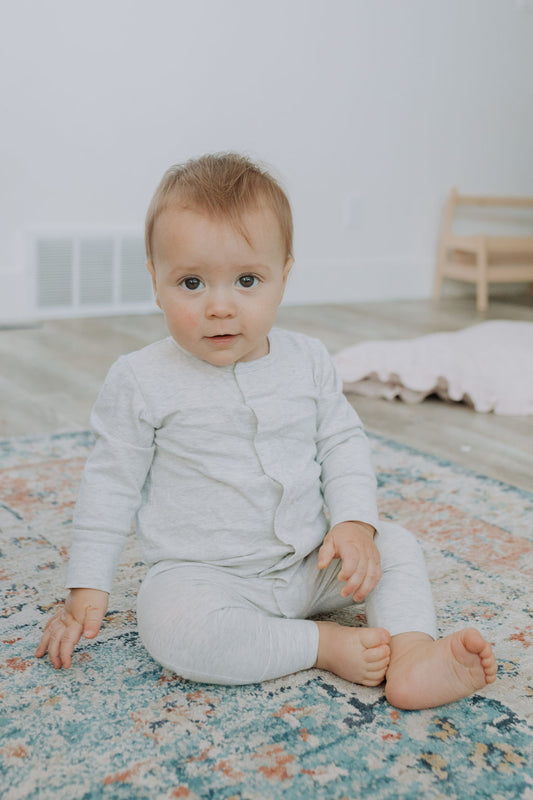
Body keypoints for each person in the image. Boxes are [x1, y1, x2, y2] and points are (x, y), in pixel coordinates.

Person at [36, 153, 497, 709]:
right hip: (208, 578)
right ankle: (320, 645)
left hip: (311, 562)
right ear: (156, 283)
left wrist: (353, 525)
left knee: (394, 545)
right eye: (191, 282)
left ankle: (414, 653)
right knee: (170, 624)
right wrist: (87, 586)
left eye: (247, 280)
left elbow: (341, 443)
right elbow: (108, 485)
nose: (221, 307)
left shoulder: (308, 360)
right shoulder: (140, 379)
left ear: (284, 276)